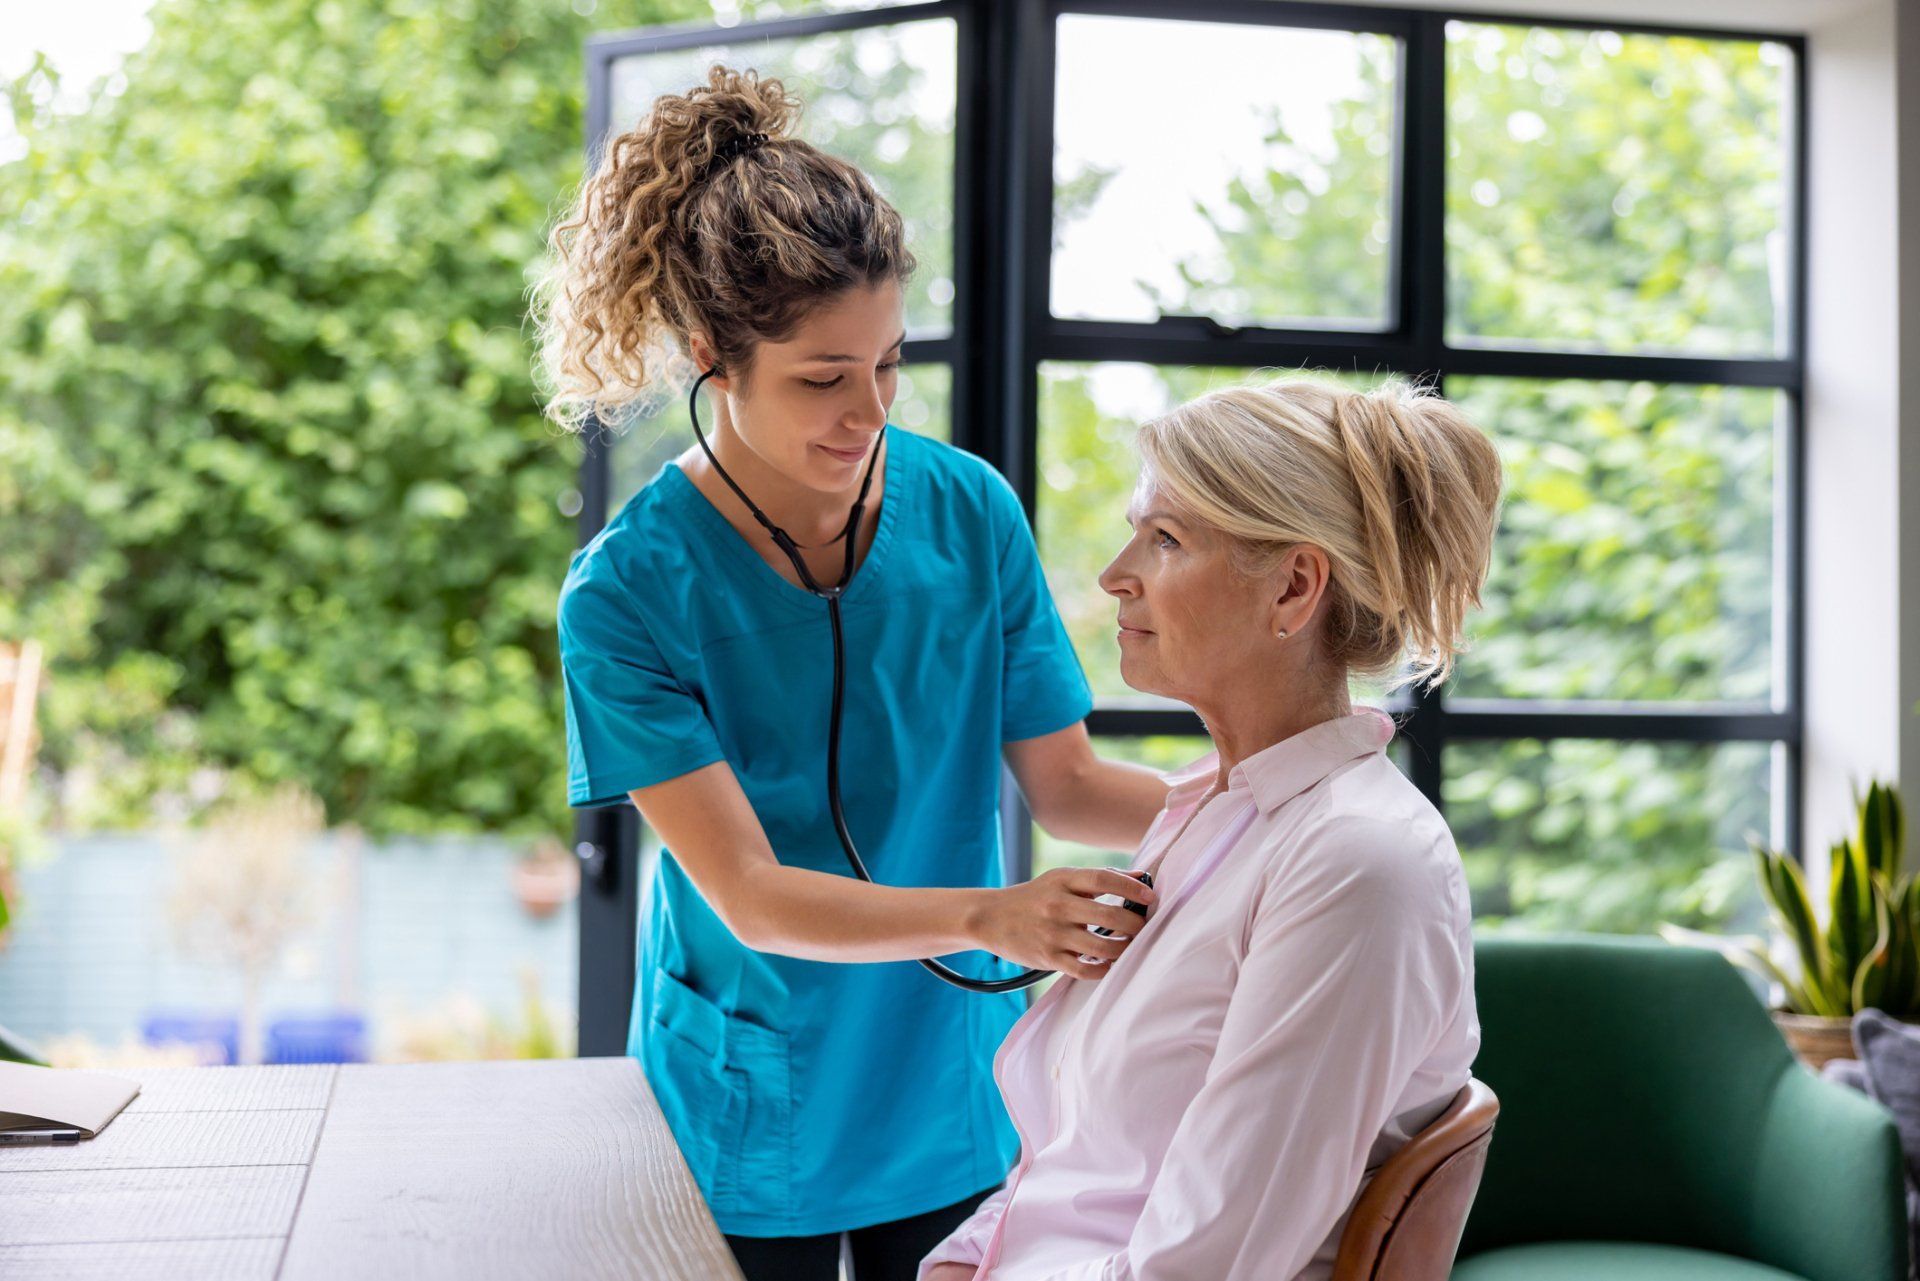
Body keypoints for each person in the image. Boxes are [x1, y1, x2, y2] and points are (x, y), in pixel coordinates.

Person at [534, 65, 1170, 1281]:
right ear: (714, 356)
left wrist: (1274, 800)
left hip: (945, 1076)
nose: (867, 411)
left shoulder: (968, 509)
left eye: (887, 365)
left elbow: (1073, 787)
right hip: (743, 1095)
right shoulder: (627, 593)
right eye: (822, 379)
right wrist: (995, 915)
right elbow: (755, 895)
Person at [918, 378, 1504, 1281]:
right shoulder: (1214, 816)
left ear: (1293, 588)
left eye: (1166, 538)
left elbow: (1204, 1264)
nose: (1115, 573)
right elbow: (1083, 1163)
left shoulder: (1359, 862)